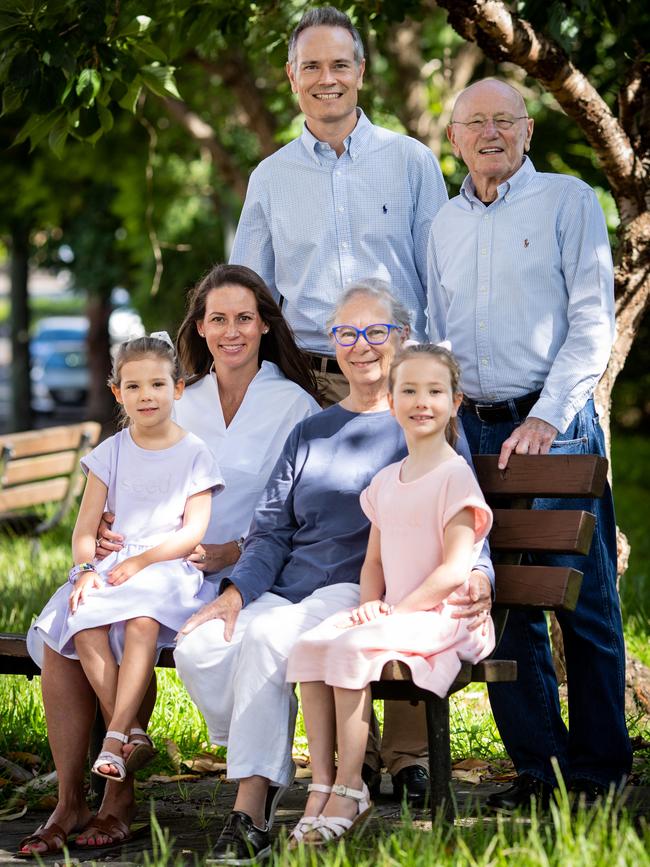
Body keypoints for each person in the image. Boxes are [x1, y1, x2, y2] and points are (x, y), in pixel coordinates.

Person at [174, 281, 494, 864]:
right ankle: (264, 759)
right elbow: (271, 528)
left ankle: (251, 803)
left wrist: (482, 575)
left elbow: (464, 511)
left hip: (355, 591)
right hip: (287, 587)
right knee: (199, 647)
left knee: (269, 643)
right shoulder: (311, 430)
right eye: (347, 333)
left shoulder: (420, 421)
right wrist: (237, 592)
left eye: (376, 331)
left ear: (400, 338)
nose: (361, 345)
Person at [17, 266, 321, 857]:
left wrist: (235, 551)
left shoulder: (294, 404)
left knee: (136, 623)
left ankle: (118, 800)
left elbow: (303, 511)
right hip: (149, 560)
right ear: (200, 329)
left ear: (264, 324)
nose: (231, 331)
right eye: (217, 319)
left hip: (239, 573)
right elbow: (134, 465)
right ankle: (72, 798)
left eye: (243, 318)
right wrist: (105, 528)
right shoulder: (183, 392)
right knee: (65, 635)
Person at [427, 78, 631, 809]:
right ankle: (538, 772)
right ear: (453, 138)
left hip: (555, 423)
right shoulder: (443, 222)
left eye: (503, 120)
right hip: (473, 428)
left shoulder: (569, 202)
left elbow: (590, 323)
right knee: (501, 600)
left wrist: (545, 415)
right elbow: (433, 323)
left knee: (586, 604)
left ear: (528, 130)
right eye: (473, 122)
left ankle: (603, 773)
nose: (489, 132)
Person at [20, 335, 224, 855]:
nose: (146, 394)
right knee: (77, 614)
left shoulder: (194, 451)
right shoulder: (109, 453)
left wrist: (140, 561)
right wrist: (87, 568)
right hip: (111, 568)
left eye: (157, 384)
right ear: (117, 392)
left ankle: (117, 741)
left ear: (178, 388)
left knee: (140, 620)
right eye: (133, 386)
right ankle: (127, 736)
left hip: (164, 568)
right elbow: (85, 527)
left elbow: (192, 531)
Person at [286, 343, 494, 845]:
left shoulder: (454, 476)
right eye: (410, 391)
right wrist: (369, 604)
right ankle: (321, 782)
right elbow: (374, 561)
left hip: (447, 616)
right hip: (399, 612)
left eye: (434, 391)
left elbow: (452, 570)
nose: (422, 402)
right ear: (393, 398)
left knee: (353, 648)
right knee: (312, 645)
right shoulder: (386, 480)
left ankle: (351, 785)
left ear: (455, 402)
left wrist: (394, 611)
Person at [229, 5, 448, 404]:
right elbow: (248, 295)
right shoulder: (269, 178)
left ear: (360, 71)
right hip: (308, 387)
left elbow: (442, 283)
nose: (326, 79)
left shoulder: (412, 162)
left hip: (402, 381)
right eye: (311, 66)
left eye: (339, 65)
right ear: (292, 76)